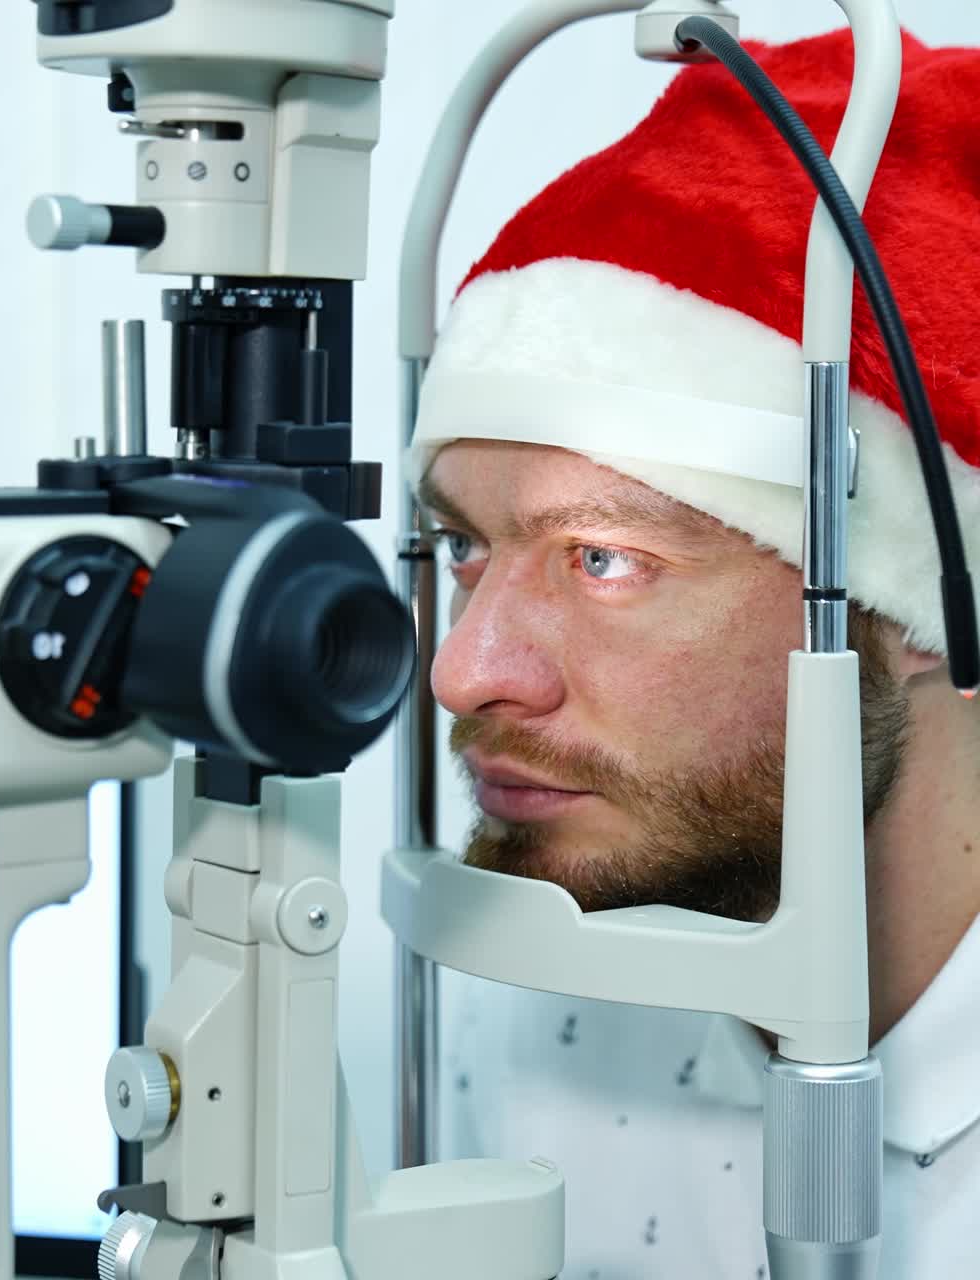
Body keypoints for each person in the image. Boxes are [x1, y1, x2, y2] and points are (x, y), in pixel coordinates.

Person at [409, 27, 980, 1279]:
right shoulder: (551, 985)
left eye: (602, 558)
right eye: (461, 548)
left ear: (917, 608)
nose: (465, 670)